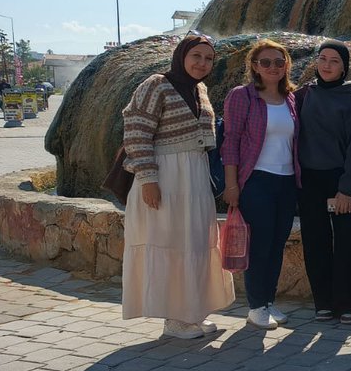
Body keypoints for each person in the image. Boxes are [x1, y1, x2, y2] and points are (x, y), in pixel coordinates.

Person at [120, 33, 234, 338]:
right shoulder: (156, 84)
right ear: (182, 55)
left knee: (194, 243)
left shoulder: (201, 90)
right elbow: (136, 132)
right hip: (166, 175)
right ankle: (174, 319)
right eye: (196, 56)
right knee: (170, 243)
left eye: (208, 58)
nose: (202, 63)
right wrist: (148, 179)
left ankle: (192, 313)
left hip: (194, 177)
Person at [222, 39, 301, 331]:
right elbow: (230, 142)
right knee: (259, 245)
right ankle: (255, 306)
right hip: (256, 180)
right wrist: (232, 185)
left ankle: (268, 301)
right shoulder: (242, 96)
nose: (273, 67)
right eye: (265, 62)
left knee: (277, 244)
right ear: (255, 66)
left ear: (286, 66)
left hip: (287, 180)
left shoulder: (290, 99)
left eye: (279, 62)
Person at [297, 41, 351, 324]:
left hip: (341, 180)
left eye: (334, 61)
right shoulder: (303, 95)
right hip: (309, 181)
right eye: (322, 59)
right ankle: (322, 302)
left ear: (344, 66)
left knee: (346, 244)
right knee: (315, 243)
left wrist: (347, 189)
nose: (327, 65)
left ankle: (348, 303)